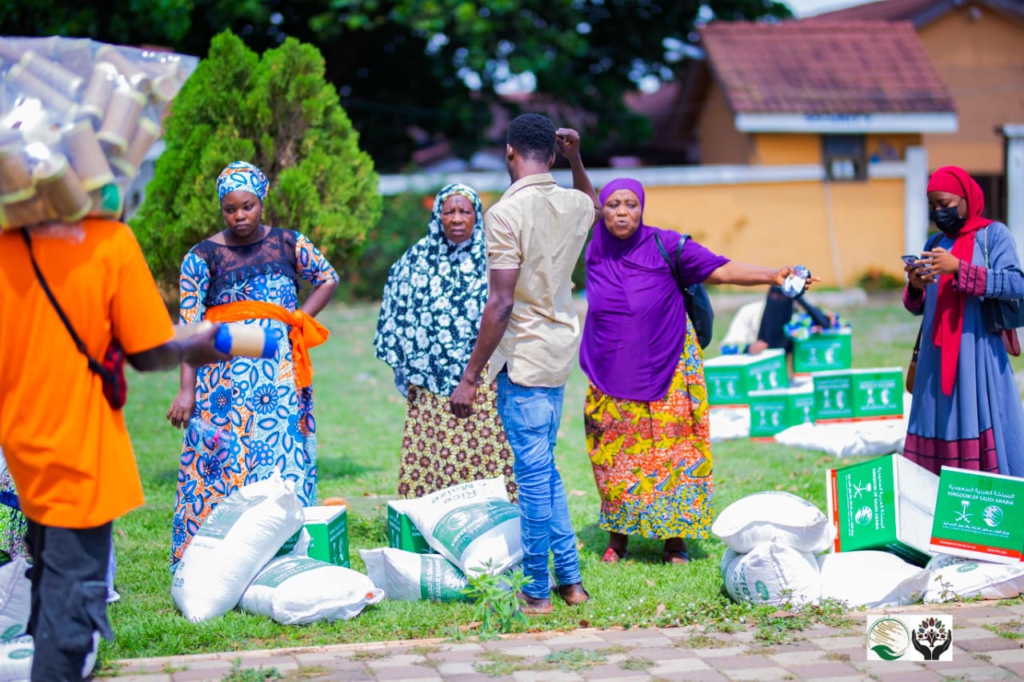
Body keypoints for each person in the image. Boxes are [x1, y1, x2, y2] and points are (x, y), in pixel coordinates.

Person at [0, 218, 225, 681]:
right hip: (78, 454)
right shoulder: (106, 240)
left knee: (46, 591)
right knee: (70, 618)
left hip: (16, 445)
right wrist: (195, 343)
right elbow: (148, 348)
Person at [580, 178, 817, 564]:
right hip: (610, 370)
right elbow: (582, 200)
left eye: (631, 204)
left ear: (642, 209)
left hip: (668, 364)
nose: (622, 211)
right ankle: (618, 536)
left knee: (676, 452)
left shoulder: (666, 244)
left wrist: (773, 275)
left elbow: (719, 270)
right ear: (602, 210)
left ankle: (675, 541)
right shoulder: (594, 249)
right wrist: (574, 159)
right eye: (613, 205)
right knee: (615, 454)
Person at [449, 115, 599, 615]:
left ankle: (537, 590)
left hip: (524, 358)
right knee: (546, 470)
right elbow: (592, 203)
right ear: (552, 155)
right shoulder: (575, 202)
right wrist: (578, 158)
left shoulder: (504, 214)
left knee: (532, 478)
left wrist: (470, 377)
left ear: (510, 152)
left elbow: (501, 304)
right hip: (558, 351)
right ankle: (572, 583)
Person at [166, 161, 339, 568]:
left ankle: (284, 551)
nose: (239, 216)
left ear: (261, 202)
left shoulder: (288, 243)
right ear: (221, 208)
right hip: (222, 379)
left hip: (278, 375)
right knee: (224, 456)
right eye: (230, 209)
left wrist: (299, 318)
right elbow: (190, 328)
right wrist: (186, 389)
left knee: (280, 452)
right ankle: (215, 556)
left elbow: (327, 277)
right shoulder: (201, 257)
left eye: (247, 206)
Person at [374, 183, 517, 500]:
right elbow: (395, 308)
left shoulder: (494, 258)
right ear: (438, 216)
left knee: (486, 453)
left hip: (484, 378)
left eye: (464, 211)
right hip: (429, 380)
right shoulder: (417, 259)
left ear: (476, 217)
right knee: (432, 456)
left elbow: (509, 309)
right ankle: (428, 525)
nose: (456, 218)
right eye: (449, 211)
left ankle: (492, 524)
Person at [903, 165, 1024, 477]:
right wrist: (916, 284)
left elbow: (1015, 283)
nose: (939, 212)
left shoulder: (993, 235)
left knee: (984, 419)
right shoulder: (933, 243)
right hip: (935, 356)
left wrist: (958, 267)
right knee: (936, 422)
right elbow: (917, 306)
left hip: (977, 350)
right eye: (933, 207)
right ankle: (933, 501)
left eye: (945, 204)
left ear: (966, 199)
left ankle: (985, 507)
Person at [720, 286, 836, 356]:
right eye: (774, 296)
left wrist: (800, 298)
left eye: (784, 297)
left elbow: (827, 324)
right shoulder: (750, 312)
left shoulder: (797, 318)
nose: (778, 300)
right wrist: (748, 348)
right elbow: (725, 348)